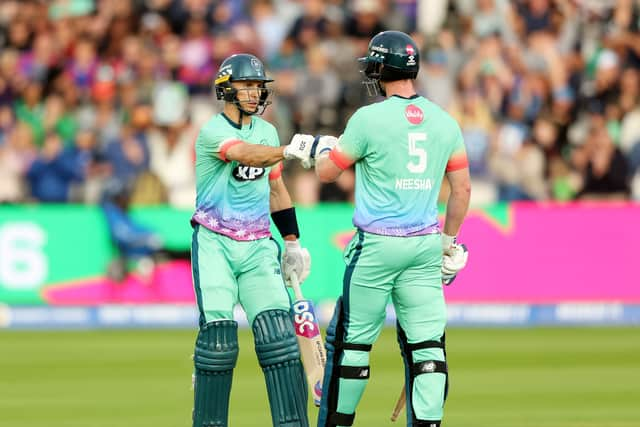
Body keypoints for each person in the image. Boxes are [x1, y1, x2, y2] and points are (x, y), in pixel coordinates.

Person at [294, 31, 471, 427]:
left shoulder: (368, 119)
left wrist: (319, 149)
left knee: (354, 346)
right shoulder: (445, 121)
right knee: (428, 349)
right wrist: (448, 243)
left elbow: (326, 172)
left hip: (376, 246)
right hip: (425, 245)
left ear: (380, 68)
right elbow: (462, 189)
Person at [189, 53, 315, 427]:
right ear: (226, 90)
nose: (254, 92)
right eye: (246, 85)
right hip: (215, 242)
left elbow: (276, 188)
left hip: (259, 244)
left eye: (258, 86)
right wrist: (289, 150)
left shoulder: (267, 131)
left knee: (280, 340)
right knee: (220, 344)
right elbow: (243, 154)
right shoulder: (213, 131)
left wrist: (291, 242)